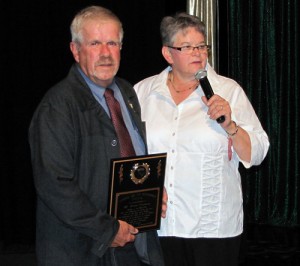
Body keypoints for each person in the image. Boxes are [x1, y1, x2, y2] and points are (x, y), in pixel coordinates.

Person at [29, 5, 166, 266]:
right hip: (82, 249)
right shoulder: (57, 106)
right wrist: (107, 229)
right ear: (75, 50)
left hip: (132, 245)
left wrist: (151, 192)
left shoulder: (126, 93)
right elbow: (54, 184)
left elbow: (134, 157)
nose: (105, 53)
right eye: (95, 43)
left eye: (112, 43)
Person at [134, 12, 269, 266]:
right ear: (167, 54)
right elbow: (130, 153)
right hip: (159, 226)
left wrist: (231, 126)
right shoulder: (143, 92)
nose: (198, 53)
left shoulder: (228, 90)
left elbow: (259, 151)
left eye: (201, 46)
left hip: (212, 229)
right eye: (187, 47)